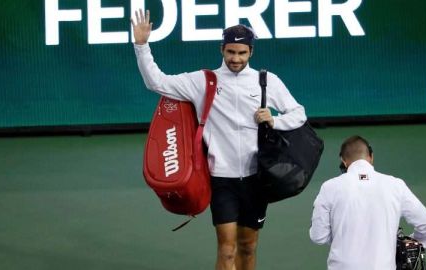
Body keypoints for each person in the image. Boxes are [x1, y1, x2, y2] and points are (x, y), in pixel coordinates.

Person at [131, 9, 307, 270]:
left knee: (248, 248)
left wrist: (274, 120)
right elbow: (156, 82)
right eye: (231, 52)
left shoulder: (266, 82)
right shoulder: (203, 81)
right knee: (226, 249)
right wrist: (141, 45)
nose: (236, 58)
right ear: (222, 50)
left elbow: (299, 114)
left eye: (242, 53)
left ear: (251, 53)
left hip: (256, 179)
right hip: (221, 180)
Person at [310, 135, 426, 270]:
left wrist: (341, 235)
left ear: (343, 161)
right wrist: (414, 242)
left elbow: (319, 237)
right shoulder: (396, 185)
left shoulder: (329, 187)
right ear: (371, 156)